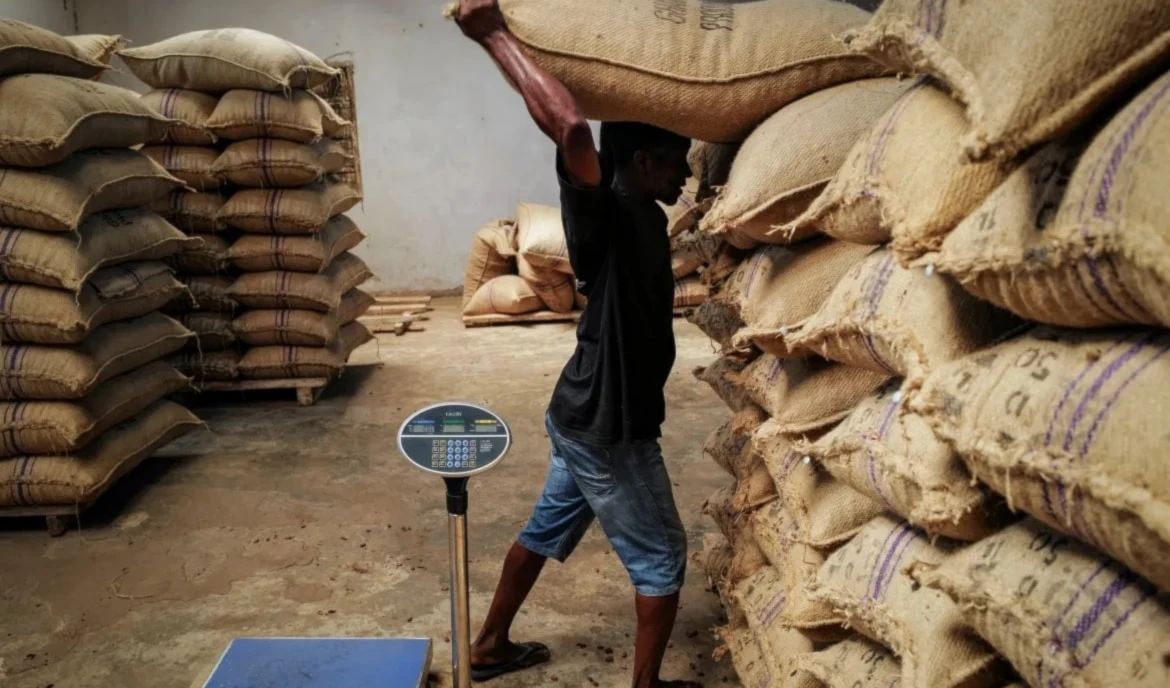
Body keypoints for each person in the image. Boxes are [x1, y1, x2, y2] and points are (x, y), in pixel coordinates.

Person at [453, 2, 699, 687]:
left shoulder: (644, 213)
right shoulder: (605, 212)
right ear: (645, 162)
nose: (687, 177)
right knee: (662, 557)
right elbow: (568, 127)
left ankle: (490, 645)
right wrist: (494, 37)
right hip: (609, 426)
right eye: (678, 164)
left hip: (579, 413)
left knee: (544, 529)